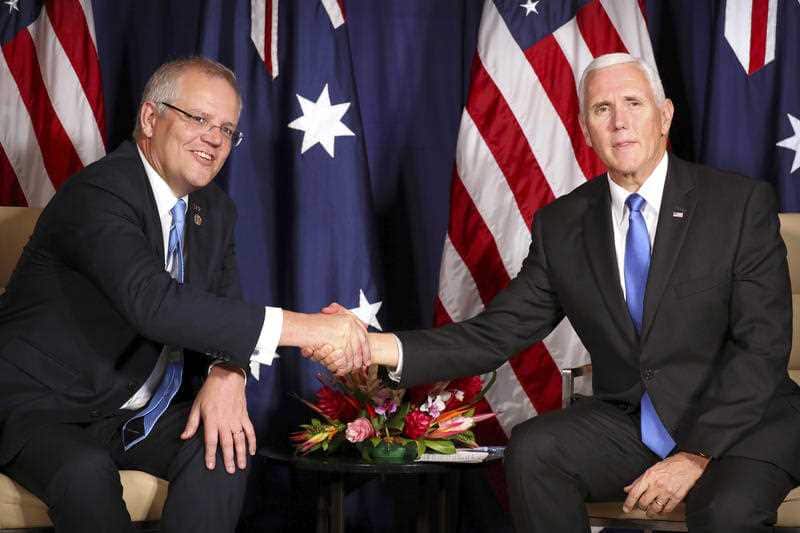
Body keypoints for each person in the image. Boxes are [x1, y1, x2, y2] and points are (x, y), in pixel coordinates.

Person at [314, 53, 800, 532]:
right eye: (601, 110)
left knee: (723, 512)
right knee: (534, 451)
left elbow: (762, 346)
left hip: (745, 421)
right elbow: (494, 334)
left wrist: (696, 454)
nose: (620, 123)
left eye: (633, 103)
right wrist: (374, 345)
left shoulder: (737, 205)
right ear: (585, 131)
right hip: (636, 421)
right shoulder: (563, 225)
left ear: (665, 115)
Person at [0, 57, 366, 533]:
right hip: (40, 404)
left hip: (127, 409)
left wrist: (227, 373)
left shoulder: (215, 210)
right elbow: (156, 305)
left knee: (225, 448)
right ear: (151, 118)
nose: (214, 139)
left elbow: (222, 310)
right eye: (198, 119)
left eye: (227, 129)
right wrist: (309, 328)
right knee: (85, 474)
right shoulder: (98, 193)